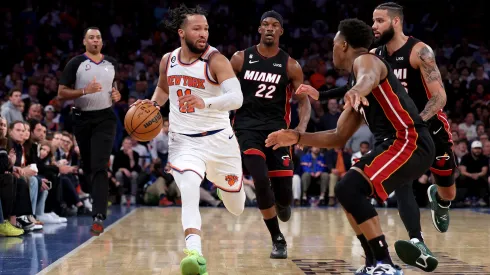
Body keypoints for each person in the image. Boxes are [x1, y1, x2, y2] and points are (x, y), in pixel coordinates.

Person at [265, 18, 435, 275]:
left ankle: (385, 263)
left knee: (350, 187)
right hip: (400, 144)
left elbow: (368, 76)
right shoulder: (360, 83)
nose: (332, 48)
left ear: (343, 44)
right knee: (347, 192)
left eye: (333, 43)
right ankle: (372, 263)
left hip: (409, 140)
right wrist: (296, 137)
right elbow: (337, 137)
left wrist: (357, 89)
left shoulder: (365, 61)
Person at [135, 4, 245, 275]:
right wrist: (150, 106)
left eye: (206, 28)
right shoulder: (168, 60)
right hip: (184, 140)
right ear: (181, 32)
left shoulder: (216, 60)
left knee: (237, 207)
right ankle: (194, 253)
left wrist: (204, 102)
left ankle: (224, 187)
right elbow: (163, 87)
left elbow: (237, 98)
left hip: (219, 140)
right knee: (189, 188)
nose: (203, 33)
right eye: (197, 28)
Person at [230, 10, 311, 259]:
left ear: (281, 32)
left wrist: (300, 131)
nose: (269, 28)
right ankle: (278, 238)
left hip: (279, 132)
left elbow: (304, 102)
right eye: (265, 24)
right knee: (260, 180)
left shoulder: (290, 65)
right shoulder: (240, 59)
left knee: (284, 196)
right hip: (247, 129)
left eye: (275, 25)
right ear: (259, 29)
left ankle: (283, 203)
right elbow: (222, 92)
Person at [58, 26, 121, 235]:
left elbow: (114, 87)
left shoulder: (111, 62)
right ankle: (90, 198)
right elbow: (61, 93)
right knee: (89, 167)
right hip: (82, 118)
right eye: (91, 37)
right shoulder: (76, 63)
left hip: (105, 118)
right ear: (84, 42)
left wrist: (116, 94)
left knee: (100, 165)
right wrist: (85, 90)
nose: (95, 40)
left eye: (98, 37)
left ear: (102, 42)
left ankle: (98, 216)